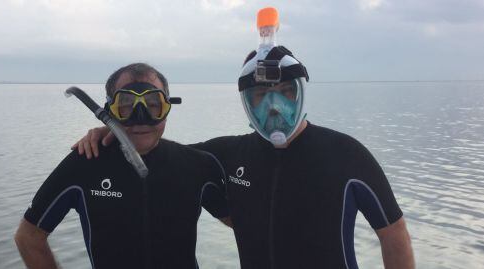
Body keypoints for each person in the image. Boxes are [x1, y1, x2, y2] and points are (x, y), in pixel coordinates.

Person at [74, 46, 415, 269]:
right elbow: (160, 155)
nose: (274, 106)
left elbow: (394, 233)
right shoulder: (226, 153)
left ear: (302, 92)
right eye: (260, 96)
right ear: (245, 103)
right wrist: (112, 135)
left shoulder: (346, 154)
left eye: (284, 93)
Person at [14, 63, 230, 269]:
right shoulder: (86, 163)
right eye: (126, 106)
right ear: (110, 112)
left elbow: (247, 223)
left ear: (167, 107)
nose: (141, 118)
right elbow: (29, 236)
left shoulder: (196, 165)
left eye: (153, 105)